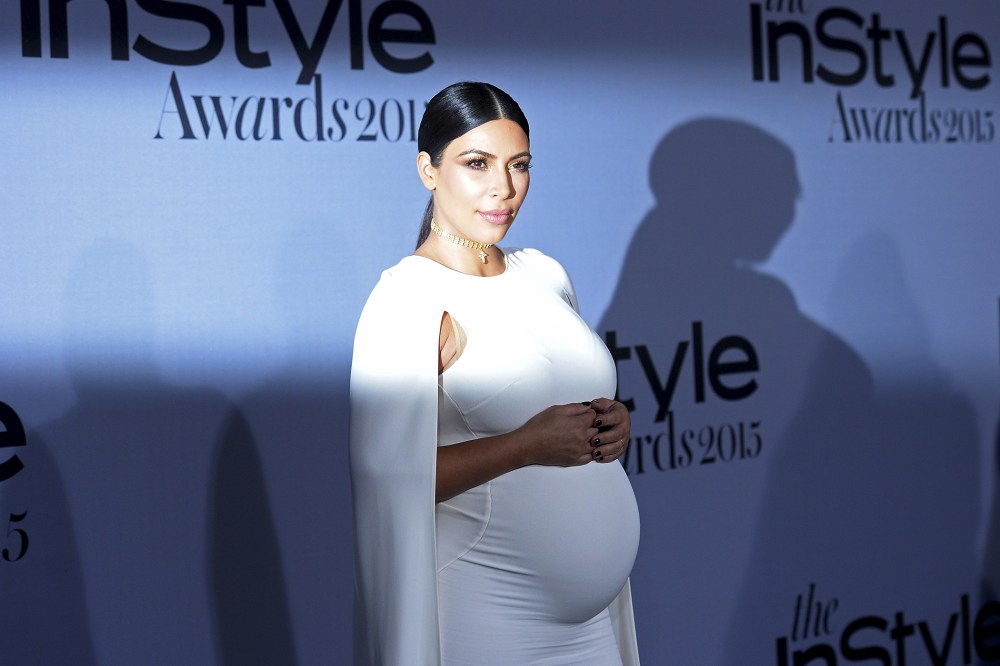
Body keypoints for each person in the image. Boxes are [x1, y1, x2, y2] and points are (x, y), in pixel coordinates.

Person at [349, 81, 640, 665]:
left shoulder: (545, 274)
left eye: (519, 165)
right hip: (486, 616)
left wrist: (612, 424)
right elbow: (389, 476)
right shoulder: (410, 299)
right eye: (476, 163)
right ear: (428, 170)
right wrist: (526, 445)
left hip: (589, 629)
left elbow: (568, 401)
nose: (503, 188)